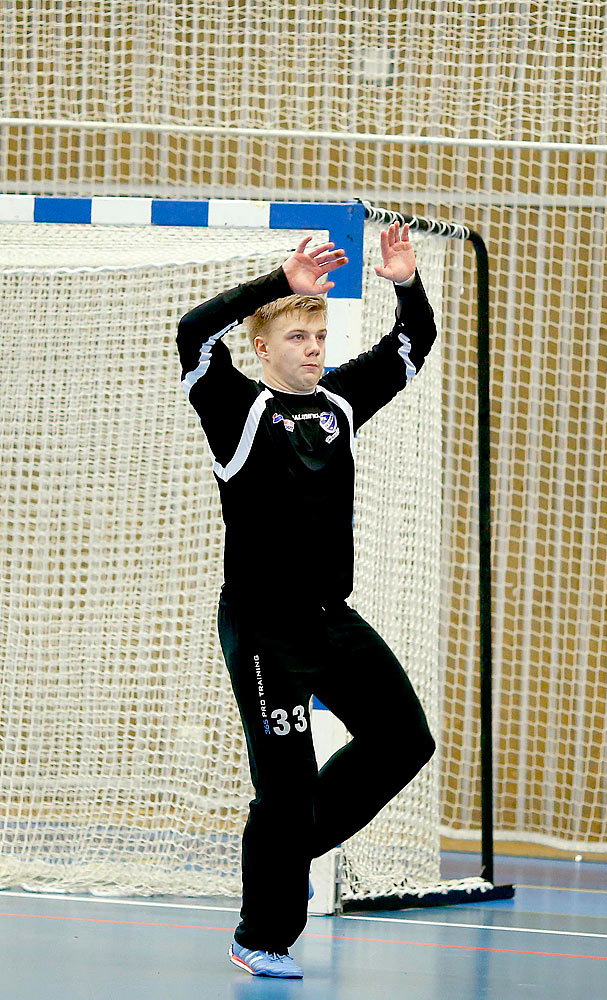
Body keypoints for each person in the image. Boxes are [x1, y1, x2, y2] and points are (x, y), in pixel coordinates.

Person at [176, 223, 438, 979]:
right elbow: (192, 334)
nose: (315, 347)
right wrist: (277, 284)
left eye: (319, 333)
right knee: (284, 789)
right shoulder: (236, 409)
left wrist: (403, 280)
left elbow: (413, 340)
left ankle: (290, 837)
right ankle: (261, 935)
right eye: (298, 334)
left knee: (403, 740)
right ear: (263, 347)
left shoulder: (340, 403)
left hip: (331, 619)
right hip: (263, 629)